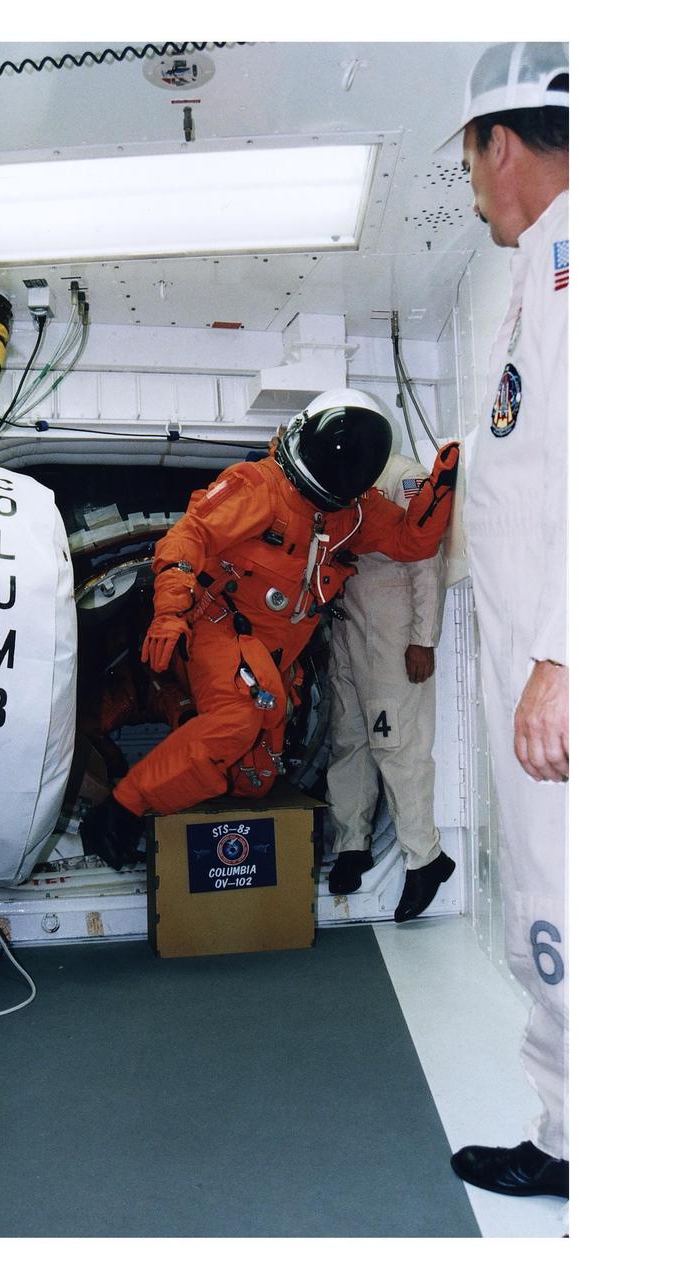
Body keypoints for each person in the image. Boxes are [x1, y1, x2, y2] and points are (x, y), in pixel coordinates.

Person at [82, 389, 460, 869]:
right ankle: (121, 809)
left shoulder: (351, 512)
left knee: (254, 779)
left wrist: (440, 490)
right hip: (219, 628)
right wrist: (170, 612)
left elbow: (409, 541)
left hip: (273, 658)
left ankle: (178, 723)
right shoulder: (257, 487)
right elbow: (189, 536)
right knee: (237, 722)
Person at [438, 43, 570, 1200]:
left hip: (564, 672)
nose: (473, 184)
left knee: (576, 909)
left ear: (503, 144)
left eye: (472, 159)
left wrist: (567, 654)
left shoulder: (588, 261)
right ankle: (568, 1130)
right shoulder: (541, 267)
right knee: (545, 903)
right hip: (534, 662)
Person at [325, 449, 451, 923]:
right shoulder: (337, 481)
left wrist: (423, 639)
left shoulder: (405, 478)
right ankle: (352, 844)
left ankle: (426, 859)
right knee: (348, 739)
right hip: (348, 624)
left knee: (396, 746)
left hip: (393, 633)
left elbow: (426, 560)